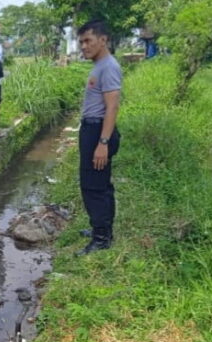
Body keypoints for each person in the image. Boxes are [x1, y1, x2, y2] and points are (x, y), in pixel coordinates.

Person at [75, 20, 122, 256]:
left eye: (88, 41)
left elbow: (112, 107)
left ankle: (102, 239)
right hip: (92, 130)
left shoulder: (109, 67)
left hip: (98, 132)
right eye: (81, 41)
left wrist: (102, 143)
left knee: (93, 186)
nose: (83, 46)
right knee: (100, 184)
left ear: (103, 40)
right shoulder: (99, 65)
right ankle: (100, 229)